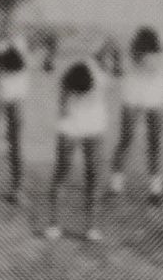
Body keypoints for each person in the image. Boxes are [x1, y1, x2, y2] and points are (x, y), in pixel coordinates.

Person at [107, 26, 163, 204]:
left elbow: (116, 71)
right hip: (154, 99)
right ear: (156, 44)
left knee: (125, 141)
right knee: (154, 144)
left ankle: (116, 185)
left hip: (133, 97)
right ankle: (155, 189)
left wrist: (115, 54)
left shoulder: (131, 56)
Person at [0, 30, 56, 202]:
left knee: (15, 141)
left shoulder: (30, 44)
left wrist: (49, 56)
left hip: (15, 95)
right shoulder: (5, 42)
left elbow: (48, 64)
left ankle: (16, 188)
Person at [45, 50, 114, 242]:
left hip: (95, 126)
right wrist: (64, 109)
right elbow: (63, 86)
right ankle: (54, 224)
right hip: (71, 125)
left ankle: (91, 227)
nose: (109, 60)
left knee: (93, 175)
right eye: (107, 56)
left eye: (111, 57)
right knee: (62, 172)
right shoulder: (82, 66)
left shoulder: (106, 70)